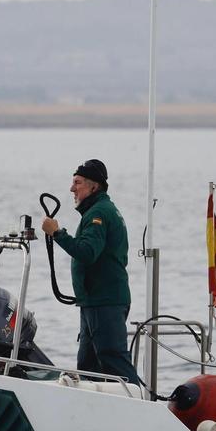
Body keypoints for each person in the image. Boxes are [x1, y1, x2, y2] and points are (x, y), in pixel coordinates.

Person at [40, 159, 141, 385]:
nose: (71, 188)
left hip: (104, 301)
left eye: (77, 183)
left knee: (113, 361)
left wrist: (57, 233)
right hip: (94, 301)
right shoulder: (99, 210)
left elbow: (87, 252)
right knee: (87, 365)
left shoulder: (99, 214)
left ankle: (147, 405)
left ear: (94, 186)